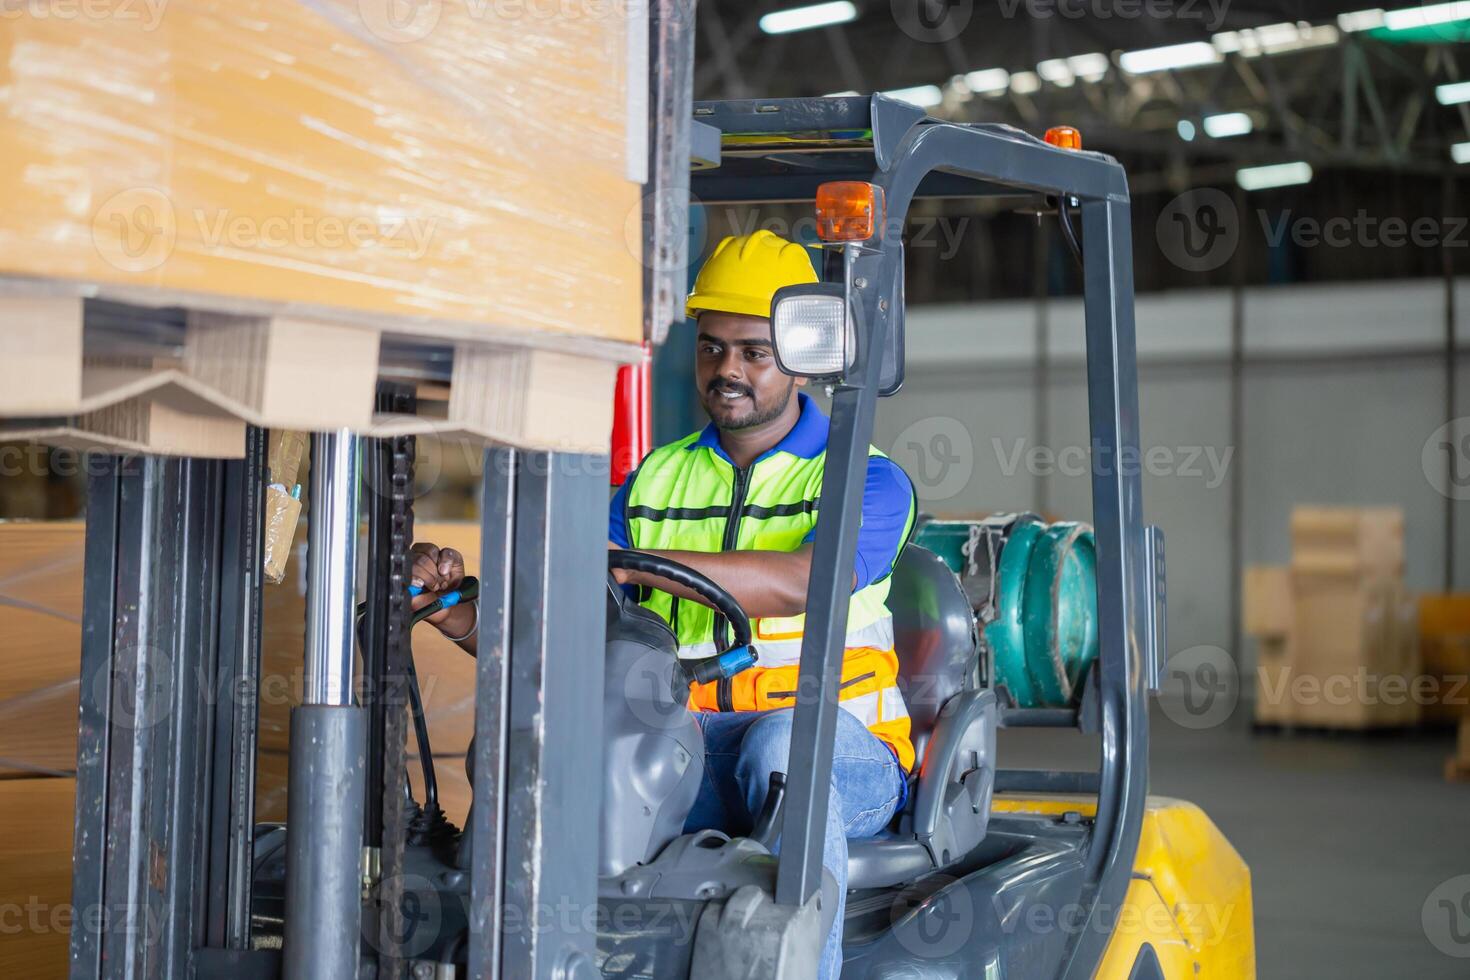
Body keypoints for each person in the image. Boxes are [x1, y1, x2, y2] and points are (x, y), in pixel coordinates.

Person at [410, 229, 917, 978]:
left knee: (782, 748)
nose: (727, 370)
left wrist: (635, 563)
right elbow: (571, 609)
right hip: (688, 741)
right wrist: (457, 607)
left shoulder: (868, 479)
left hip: (838, 745)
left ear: (802, 361)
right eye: (713, 347)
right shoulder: (654, 481)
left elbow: (805, 580)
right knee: (556, 742)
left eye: (754, 352)